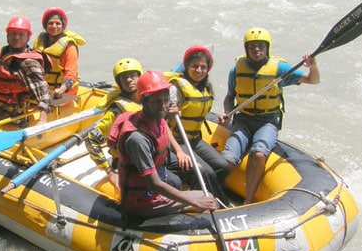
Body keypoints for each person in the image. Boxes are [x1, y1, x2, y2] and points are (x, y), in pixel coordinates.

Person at [218, 28, 320, 205]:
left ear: (267, 48)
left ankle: (248, 201)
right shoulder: (236, 70)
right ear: (246, 49)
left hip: (268, 121)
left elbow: (312, 80)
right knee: (227, 158)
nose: (256, 50)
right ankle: (215, 193)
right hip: (243, 119)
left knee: (258, 154)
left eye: (260, 46)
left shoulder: (280, 69)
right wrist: (228, 113)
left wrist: (313, 66)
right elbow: (229, 97)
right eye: (252, 47)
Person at [108, 70, 217, 220]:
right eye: (157, 101)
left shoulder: (157, 118)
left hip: (156, 186)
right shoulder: (137, 139)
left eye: (165, 100)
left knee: (203, 186)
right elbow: (154, 184)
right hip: (142, 201)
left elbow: (163, 133)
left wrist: (179, 151)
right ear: (143, 101)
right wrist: (194, 201)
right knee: (204, 198)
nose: (163, 106)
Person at [166, 45, 232, 185]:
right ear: (187, 67)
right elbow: (162, 124)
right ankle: (203, 199)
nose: (199, 71)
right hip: (177, 140)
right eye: (194, 66)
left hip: (195, 140)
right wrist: (178, 151)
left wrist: (222, 117)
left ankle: (209, 193)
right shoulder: (176, 89)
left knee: (222, 167)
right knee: (205, 171)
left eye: (203, 67)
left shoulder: (206, 88)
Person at [0, 16, 52, 126]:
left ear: (28, 38)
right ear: (7, 35)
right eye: (13, 34)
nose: (16, 37)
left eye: (21, 35)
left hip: (9, 111)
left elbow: (43, 92)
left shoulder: (29, 63)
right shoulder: (5, 52)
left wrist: (42, 120)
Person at [84, 58, 145, 192]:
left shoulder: (150, 102)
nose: (129, 80)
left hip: (150, 158)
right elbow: (90, 139)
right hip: (127, 163)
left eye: (132, 76)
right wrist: (109, 172)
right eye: (124, 78)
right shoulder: (116, 111)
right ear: (119, 83)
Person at [33, 7, 86, 99]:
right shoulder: (39, 41)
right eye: (50, 23)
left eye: (58, 23)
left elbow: (71, 73)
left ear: (63, 26)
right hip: (44, 89)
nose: (54, 26)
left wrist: (61, 89)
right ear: (45, 26)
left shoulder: (69, 46)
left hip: (64, 92)